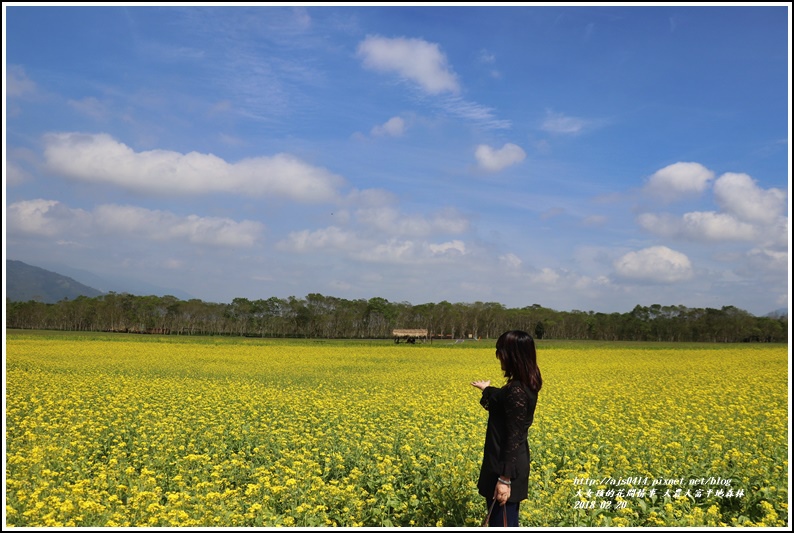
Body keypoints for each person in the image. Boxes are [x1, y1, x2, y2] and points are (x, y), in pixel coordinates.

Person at [471, 330, 542, 527]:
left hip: (505, 468)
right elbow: (500, 400)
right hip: (506, 465)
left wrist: (504, 479)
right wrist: (486, 389)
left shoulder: (516, 391)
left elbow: (513, 436)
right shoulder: (522, 385)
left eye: (500, 350)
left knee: (503, 524)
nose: (497, 355)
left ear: (512, 355)